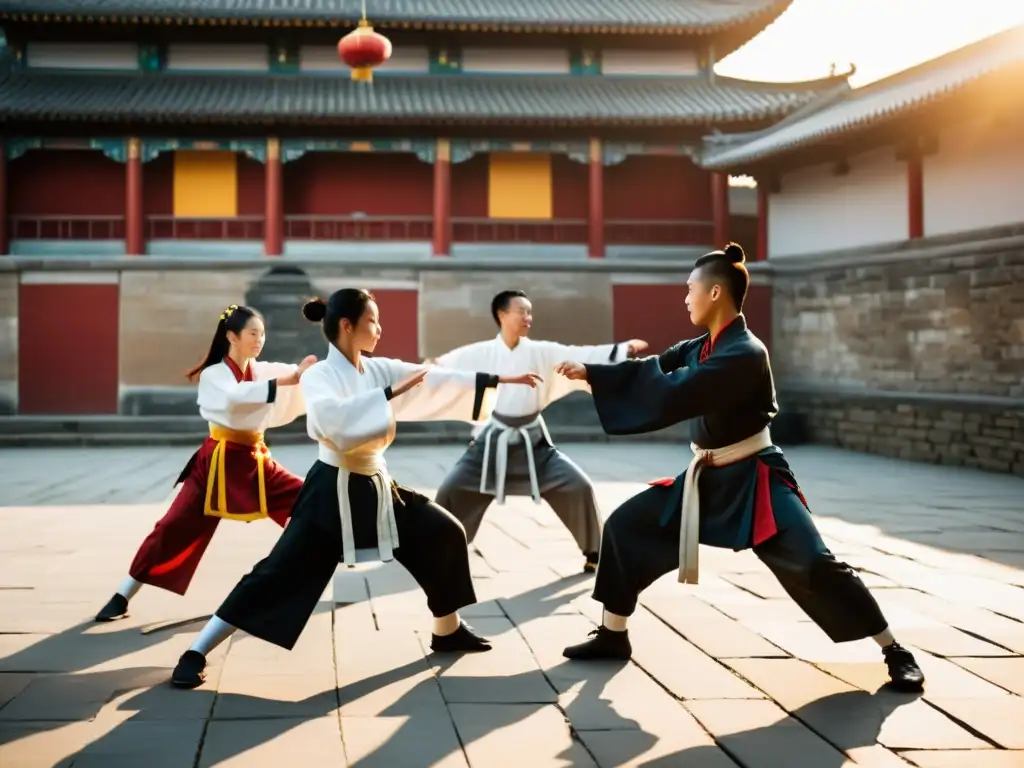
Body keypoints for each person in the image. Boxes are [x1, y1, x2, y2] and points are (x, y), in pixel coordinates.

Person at [554, 243, 925, 693]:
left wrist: (598, 378)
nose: (685, 297)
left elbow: (677, 389)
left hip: (757, 478)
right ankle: (613, 635)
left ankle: (893, 650)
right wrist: (594, 372)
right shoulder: (702, 345)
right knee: (626, 525)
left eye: (690, 289)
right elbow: (657, 366)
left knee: (814, 564)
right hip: (706, 479)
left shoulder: (745, 352)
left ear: (714, 293)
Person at [170, 288, 543, 689]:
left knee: (443, 532)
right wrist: (385, 396)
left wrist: (499, 379)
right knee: (277, 573)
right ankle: (196, 651)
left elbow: (431, 378)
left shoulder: (377, 367)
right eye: (372, 321)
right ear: (347, 326)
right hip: (330, 489)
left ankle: (447, 629)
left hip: (377, 484)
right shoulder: (320, 376)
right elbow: (331, 420)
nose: (380, 329)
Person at [94, 304, 315, 622]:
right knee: (172, 527)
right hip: (216, 463)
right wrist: (289, 379)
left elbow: (292, 375)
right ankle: (123, 594)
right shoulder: (214, 375)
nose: (259, 340)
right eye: (253, 333)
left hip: (255, 460)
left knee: (310, 499)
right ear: (231, 336)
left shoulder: (262, 371)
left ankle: (312, 570)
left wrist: (312, 373)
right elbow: (232, 398)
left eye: (262, 334)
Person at [432, 290, 648, 574]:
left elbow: (579, 354)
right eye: (522, 311)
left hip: (533, 442)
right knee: (452, 490)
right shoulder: (478, 353)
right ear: (502, 314)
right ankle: (436, 548)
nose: (528, 318)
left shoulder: (541, 352)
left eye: (530, 312)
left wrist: (621, 351)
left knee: (577, 485)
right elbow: (442, 368)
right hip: (490, 444)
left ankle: (595, 551)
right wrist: (425, 369)